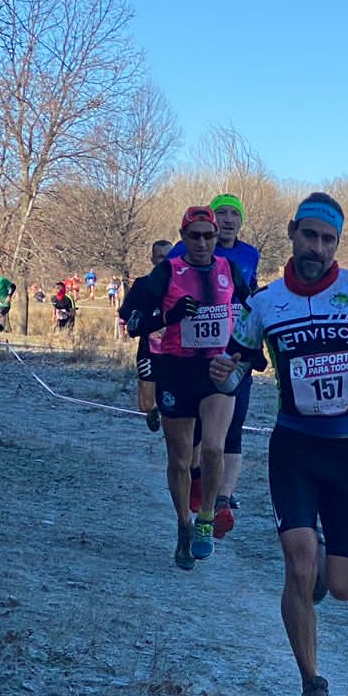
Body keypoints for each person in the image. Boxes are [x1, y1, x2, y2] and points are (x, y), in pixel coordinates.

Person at [219, 192, 348, 696]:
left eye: (329, 240)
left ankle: (327, 566)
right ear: (292, 232)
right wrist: (227, 372)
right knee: (298, 565)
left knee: (343, 585)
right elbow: (238, 360)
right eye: (311, 235)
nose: (319, 248)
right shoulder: (265, 303)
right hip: (294, 447)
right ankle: (311, 682)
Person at [119, 208, 247, 569]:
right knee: (178, 459)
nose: (204, 242)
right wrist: (169, 317)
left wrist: (248, 354)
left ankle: (206, 516)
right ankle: (183, 525)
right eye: (196, 236)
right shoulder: (166, 273)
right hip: (175, 370)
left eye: (209, 235)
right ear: (184, 237)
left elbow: (251, 311)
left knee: (212, 448)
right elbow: (134, 324)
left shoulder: (229, 270)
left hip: (216, 371)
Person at [170, 194, 261, 536]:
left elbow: (248, 294)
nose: (226, 220)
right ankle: (198, 487)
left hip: (234, 351)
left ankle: (222, 501)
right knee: (195, 433)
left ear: (240, 221)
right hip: (191, 354)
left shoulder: (249, 254)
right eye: (220, 212)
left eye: (233, 214)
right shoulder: (188, 250)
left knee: (232, 428)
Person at [133, 239, 172, 432]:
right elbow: (128, 315)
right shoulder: (142, 285)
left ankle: (173, 423)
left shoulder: (181, 285)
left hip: (174, 352)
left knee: (174, 399)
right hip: (148, 349)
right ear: (152, 259)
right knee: (145, 404)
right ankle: (153, 411)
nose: (165, 261)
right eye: (161, 257)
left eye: (169, 257)